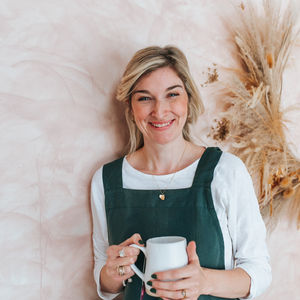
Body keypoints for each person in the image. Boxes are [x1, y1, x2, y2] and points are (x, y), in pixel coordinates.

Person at [91, 45, 272, 300]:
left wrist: (205, 281)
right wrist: (111, 274)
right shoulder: (106, 181)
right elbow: (106, 279)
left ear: (189, 98)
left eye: (172, 95)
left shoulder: (226, 171)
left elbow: (259, 271)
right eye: (144, 97)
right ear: (131, 108)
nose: (160, 110)